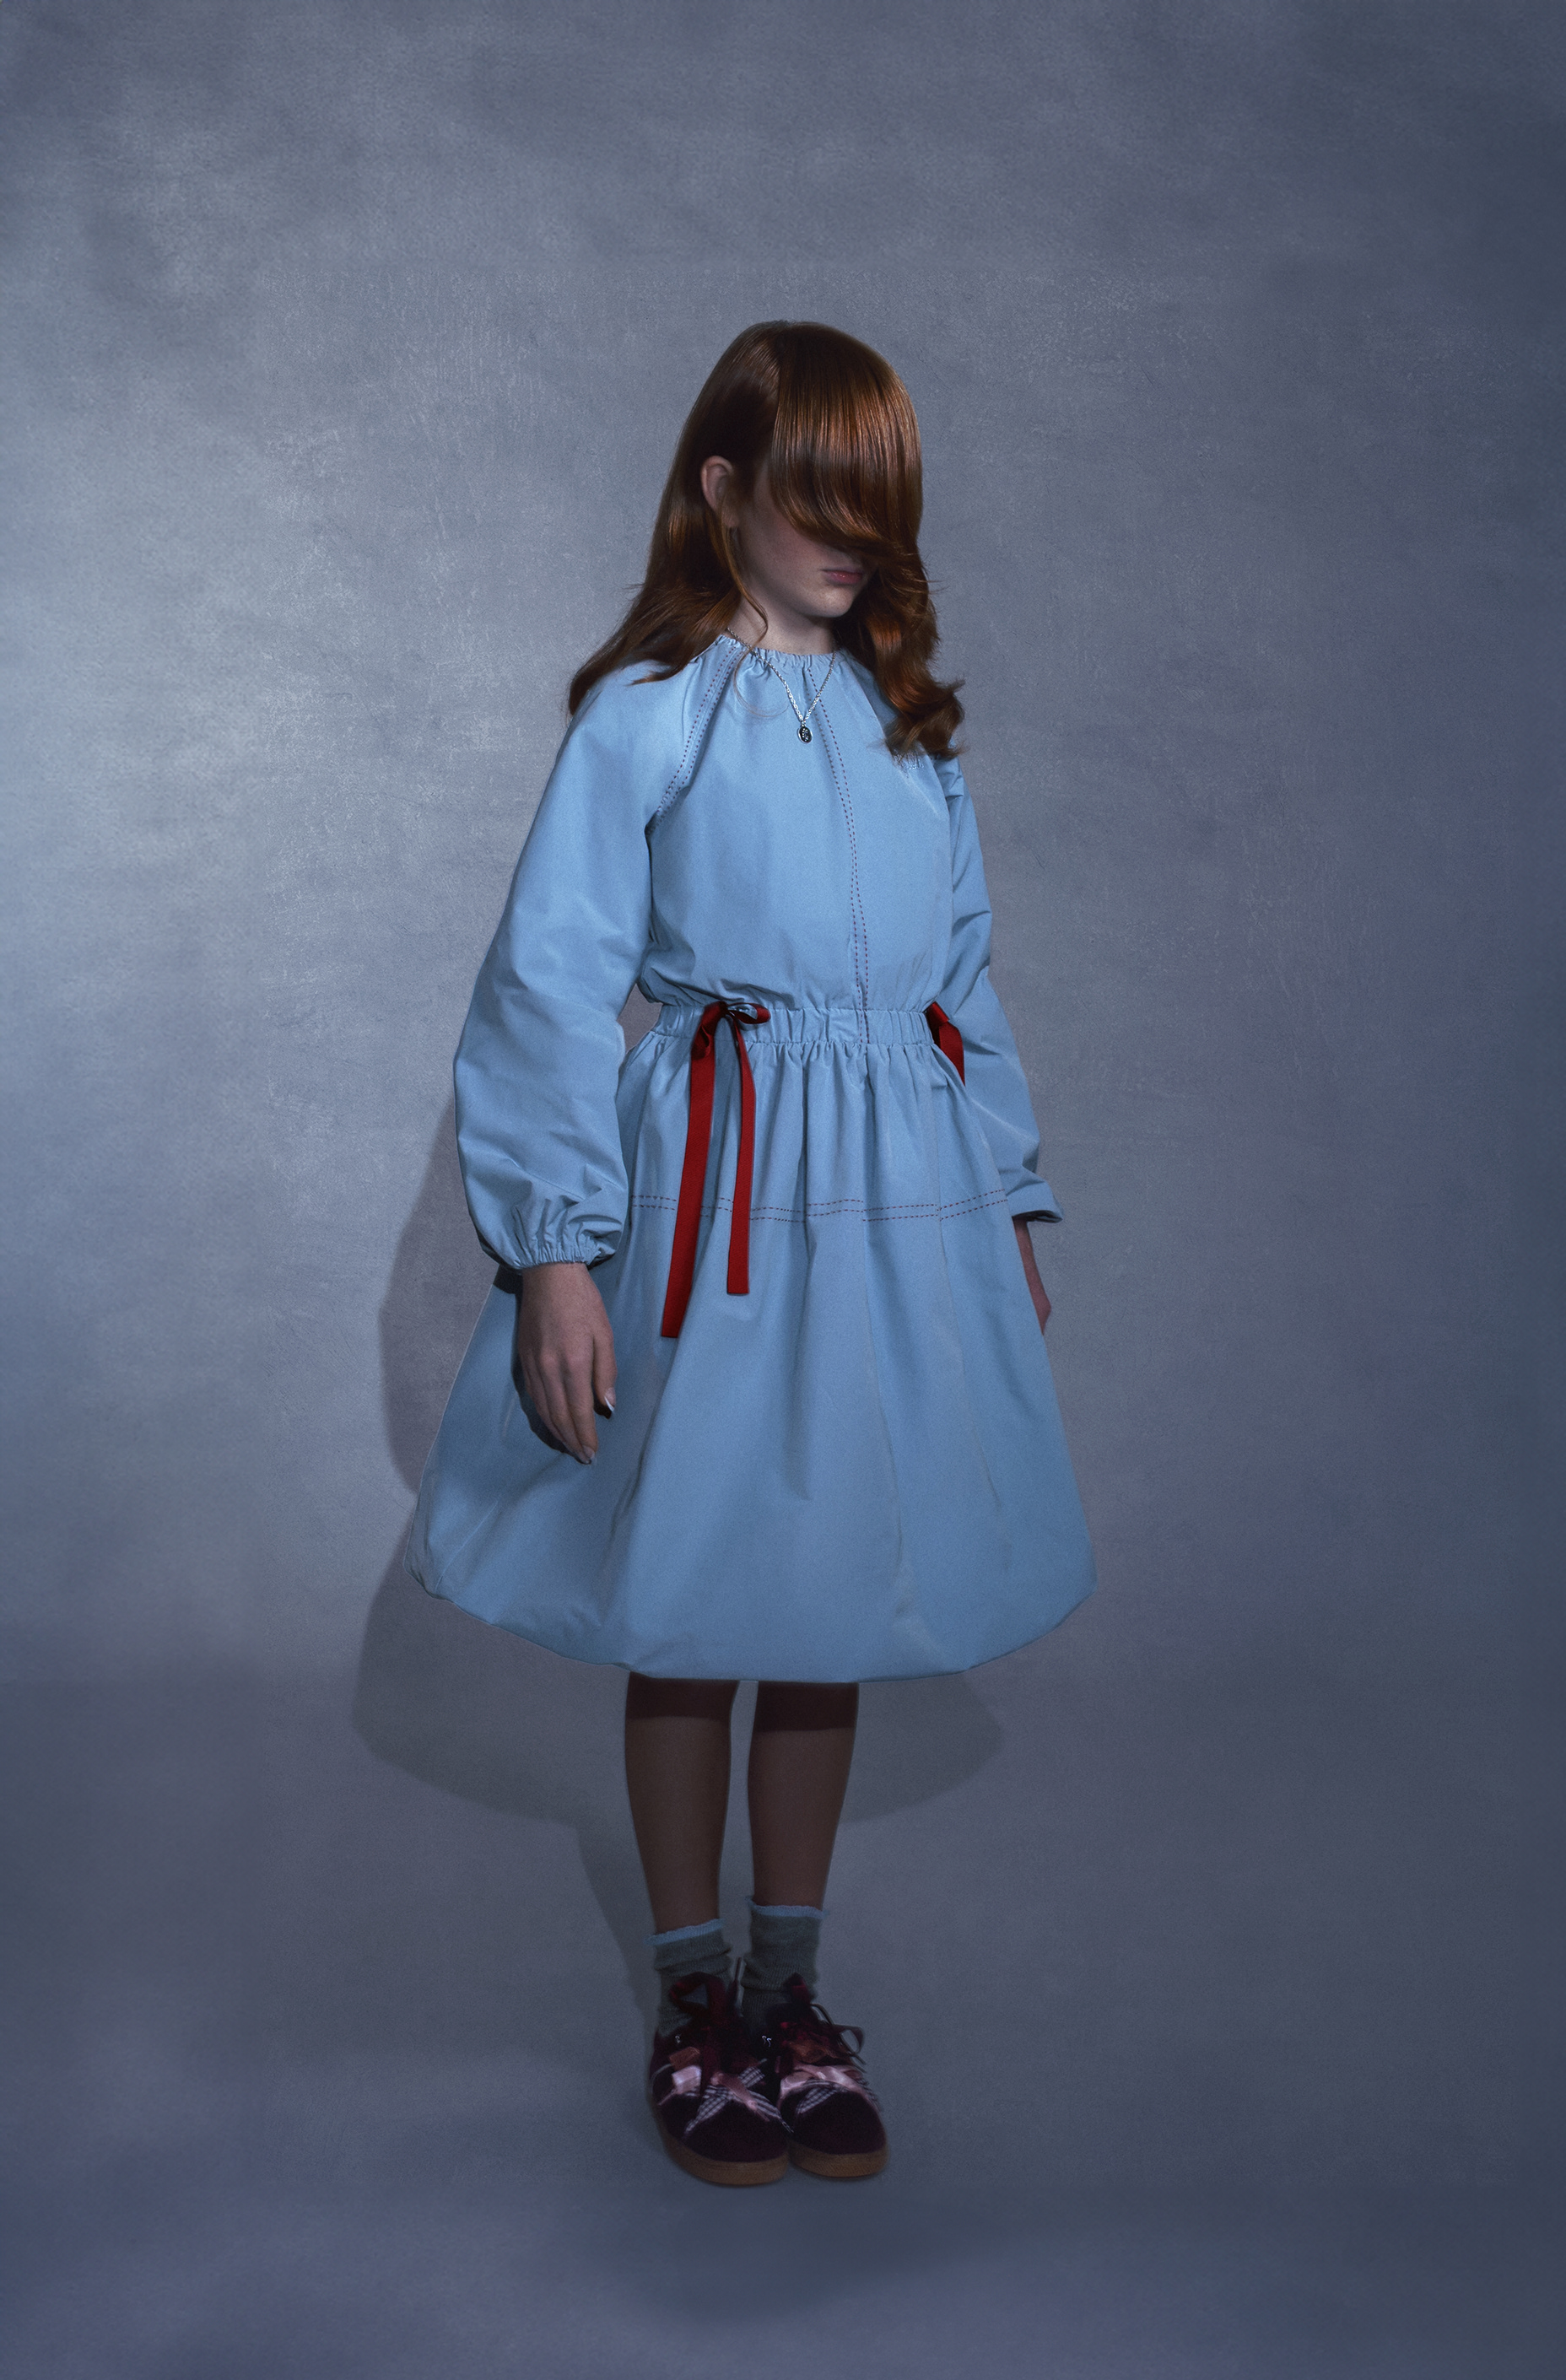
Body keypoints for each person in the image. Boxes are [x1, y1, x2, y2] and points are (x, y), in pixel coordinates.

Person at [408, 321, 1096, 2188]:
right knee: (700, 1589)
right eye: (818, 502)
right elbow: (548, 982)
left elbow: (962, 994)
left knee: (829, 1596)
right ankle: (692, 2001)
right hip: (712, 1201)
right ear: (723, 491)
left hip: (893, 1208)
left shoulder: (908, 728)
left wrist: (1008, 1196)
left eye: (882, 507)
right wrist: (557, 1253)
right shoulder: (652, 712)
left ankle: (793, 1992)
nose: (856, 540)